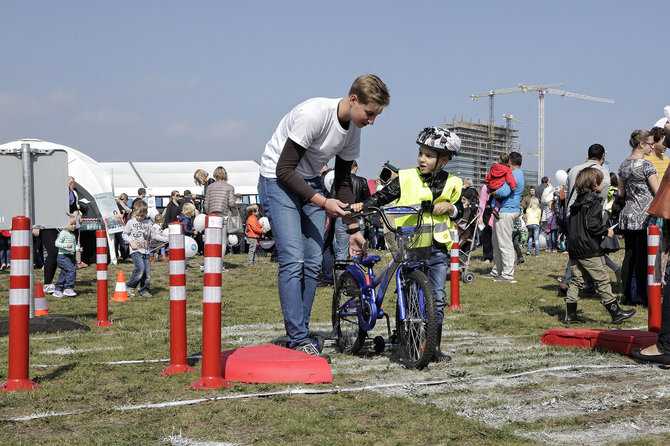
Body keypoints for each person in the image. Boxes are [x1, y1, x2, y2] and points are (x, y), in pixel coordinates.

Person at [258, 74, 390, 360]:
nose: (371, 121)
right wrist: (322, 201)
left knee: (314, 261)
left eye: (375, 115)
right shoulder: (315, 115)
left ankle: (300, 335)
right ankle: (297, 339)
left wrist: (353, 228)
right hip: (277, 179)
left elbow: (343, 182)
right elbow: (284, 169)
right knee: (294, 258)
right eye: (369, 113)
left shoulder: (353, 131)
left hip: (309, 180)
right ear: (353, 99)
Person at [353, 126, 463, 362]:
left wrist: (451, 208)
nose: (422, 159)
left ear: (444, 159)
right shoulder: (406, 178)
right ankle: (409, 341)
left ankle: (433, 346)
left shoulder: (454, 183)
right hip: (410, 244)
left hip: (438, 247)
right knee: (412, 292)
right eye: (421, 153)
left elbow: (462, 208)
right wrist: (363, 206)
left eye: (429, 155)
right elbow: (380, 197)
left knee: (438, 298)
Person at [563, 167, 636, 324]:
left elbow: (569, 224)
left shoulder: (576, 202)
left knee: (576, 280)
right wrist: (606, 231)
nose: (603, 183)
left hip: (575, 247)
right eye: (601, 181)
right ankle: (616, 313)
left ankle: (570, 315)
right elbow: (593, 225)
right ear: (594, 184)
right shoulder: (594, 202)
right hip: (589, 248)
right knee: (602, 279)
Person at [618, 130, 660, 305]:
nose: (653, 147)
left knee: (629, 255)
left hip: (627, 214)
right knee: (643, 256)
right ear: (641, 144)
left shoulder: (623, 165)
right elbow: (658, 191)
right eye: (650, 144)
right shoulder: (647, 166)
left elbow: (621, 192)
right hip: (643, 216)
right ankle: (642, 295)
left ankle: (626, 295)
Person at [482, 151, 524, 283]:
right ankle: (497, 270)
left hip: (507, 210)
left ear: (509, 162)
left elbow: (504, 191)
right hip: (504, 211)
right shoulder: (517, 173)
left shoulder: (514, 174)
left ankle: (507, 273)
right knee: (497, 241)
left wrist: (493, 192)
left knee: (504, 243)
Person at [122, 200, 168, 297]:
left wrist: (166, 239)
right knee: (140, 269)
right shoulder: (130, 223)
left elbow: (154, 235)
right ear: (134, 212)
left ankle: (144, 290)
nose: (139, 217)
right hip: (136, 250)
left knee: (147, 273)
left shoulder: (148, 223)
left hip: (146, 250)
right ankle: (129, 286)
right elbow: (124, 234)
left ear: (146, 214)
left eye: (142, 216)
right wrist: (131, 242)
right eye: (137, 215)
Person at [203, 166, 236, 271]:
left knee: (211, 241)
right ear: (225, 175)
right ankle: (219, 265)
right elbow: (231, 203)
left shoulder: (210, 187)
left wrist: (209, 213)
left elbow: (206, 205)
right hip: (224, 215)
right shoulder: (229, 187)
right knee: (222, 241)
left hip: (212, 216)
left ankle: (210, 263)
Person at [53, 214, 81, 298]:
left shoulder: (72, 235)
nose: (73, 226)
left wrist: (78, 249)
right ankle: (68, 288)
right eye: (71, 224)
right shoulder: (62, 233)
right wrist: (66, 246)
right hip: (63, 256)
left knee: (64, 272)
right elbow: (57, 243)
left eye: (74, 224)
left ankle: (58, 289)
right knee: (72, 270)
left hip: (70, 256)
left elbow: (73, 245)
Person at [485, 153, 517, 219]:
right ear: (508, 162)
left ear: (499, 160)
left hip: (492, 186)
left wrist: (488, 184)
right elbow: (510, 179)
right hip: (499, 187)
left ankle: (488, 204)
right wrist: (513, 186)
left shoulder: (493, 167)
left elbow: (489, 176)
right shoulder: (507, 170)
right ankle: (496, 209)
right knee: (499, 199)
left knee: (492, 196)